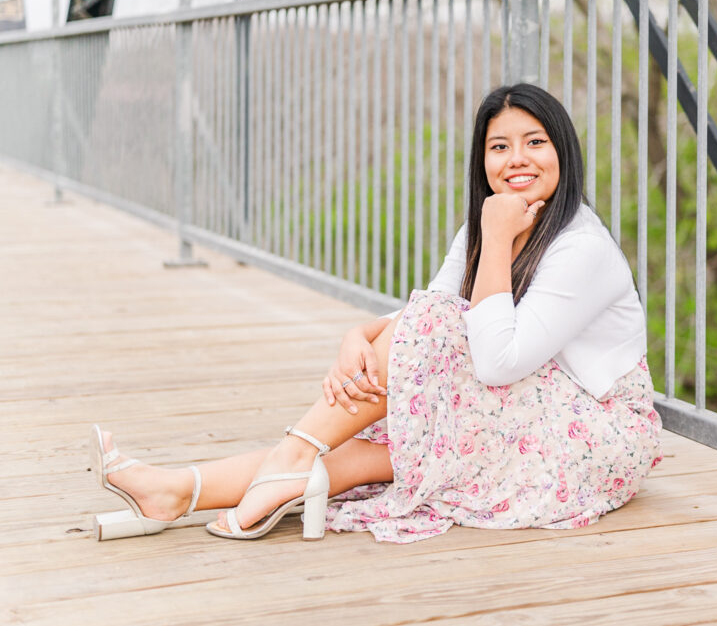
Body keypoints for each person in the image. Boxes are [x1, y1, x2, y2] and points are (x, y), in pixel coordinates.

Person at [90, 83, 663, 543]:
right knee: (381, 450)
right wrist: (360, 334)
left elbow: (494, 358)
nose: (516, 159)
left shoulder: (580, 247)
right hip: (520, 407)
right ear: (482, 159)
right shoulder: (486, 227)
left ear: (564, 150)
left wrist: (492, 236)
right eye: (499, 146)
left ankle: (287, 459)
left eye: (535, 142)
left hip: (593, 434)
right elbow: (431, 313)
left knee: (403, 410)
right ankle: (177, 490)